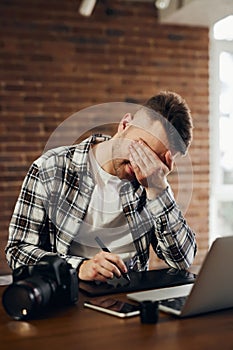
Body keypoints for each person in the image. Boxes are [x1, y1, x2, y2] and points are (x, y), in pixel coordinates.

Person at [5, 91, 197, 282]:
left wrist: (158, 189)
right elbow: (18, 251)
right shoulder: (52, 168)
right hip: (70, 293)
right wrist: (78, 267)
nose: (143, 165)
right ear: (125, 125)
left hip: (130, 298)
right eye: (141, 148)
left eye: (155, 161)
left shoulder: (152, 179)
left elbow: (181, 260)